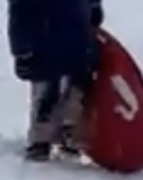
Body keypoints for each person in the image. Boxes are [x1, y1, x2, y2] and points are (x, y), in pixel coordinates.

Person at [7, 0, 104, 161]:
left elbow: (20, 14)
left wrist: (21, 49)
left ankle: (53, 134)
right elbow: (21, 13)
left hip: (56, 39)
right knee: (63, 87)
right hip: (65, 38)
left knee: (59, 89)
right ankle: (61, 132)